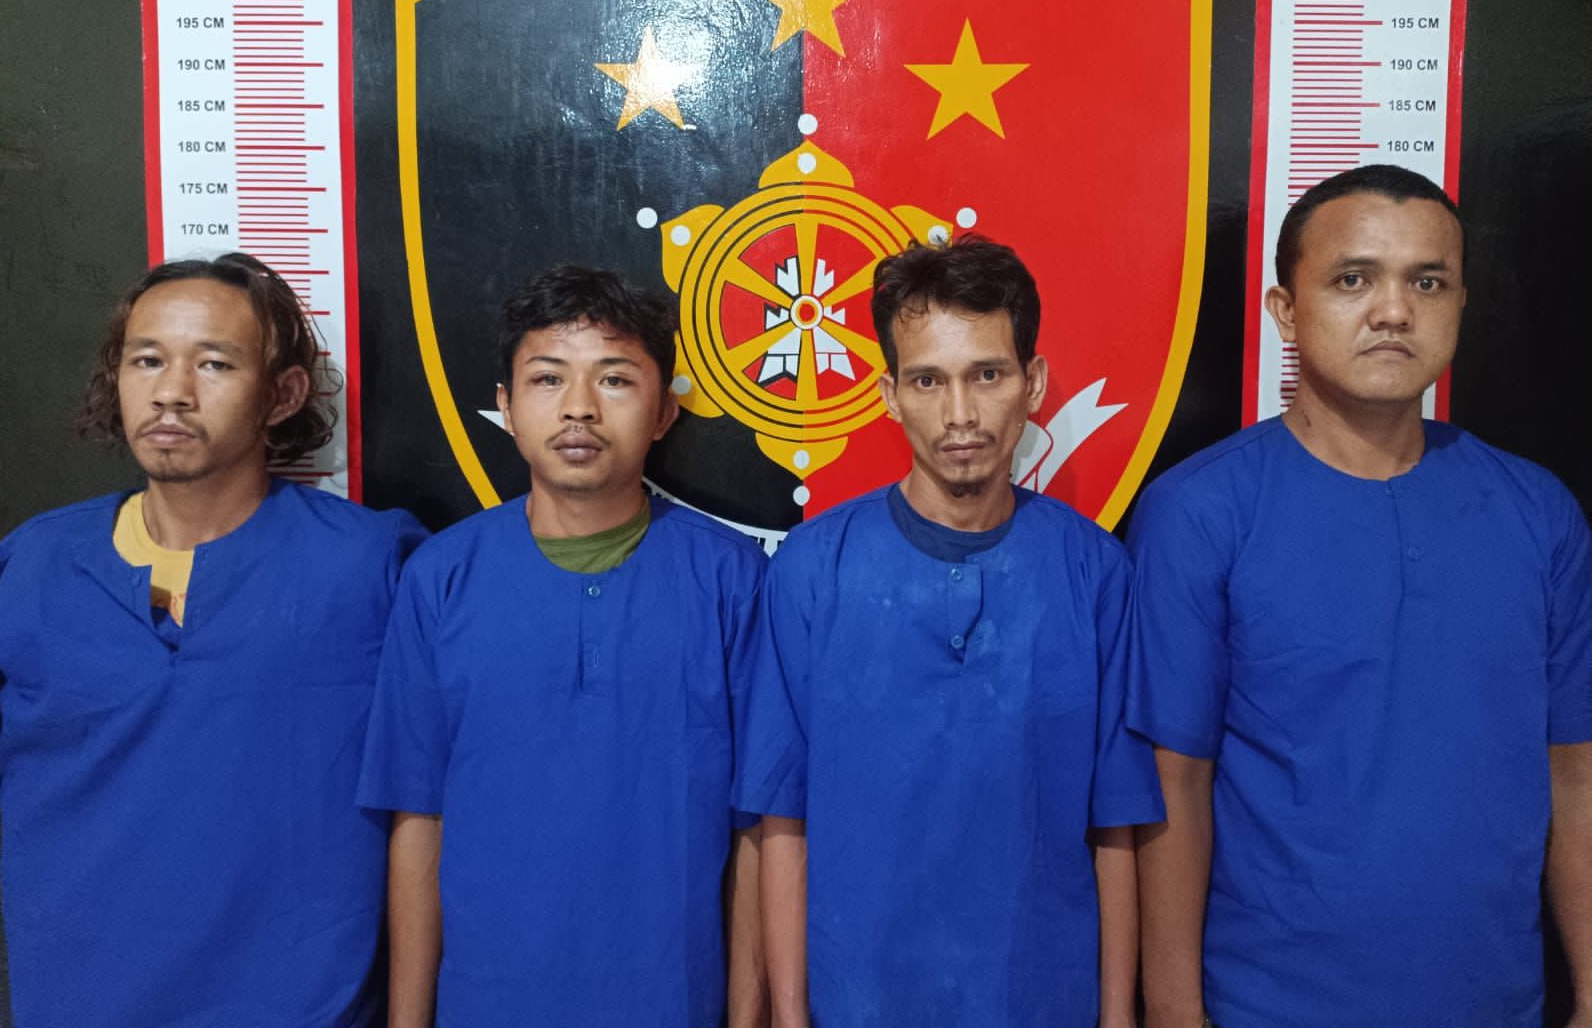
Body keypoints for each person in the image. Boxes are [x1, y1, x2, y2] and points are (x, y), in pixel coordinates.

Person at [1127, 164, 1592, 1028]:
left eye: (1427, 282)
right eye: (1353, 279)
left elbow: (1574, 769)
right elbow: (1174, 786)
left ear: (1461, 303)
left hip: (1498, 1005)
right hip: (1265, 1007)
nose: (1393, 311)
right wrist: (1173, 1010)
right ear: (1285, 309)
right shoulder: (1200, 513)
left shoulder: (1538, 513)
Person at [733, 235, 1163, 1028]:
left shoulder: (1093, 571)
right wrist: (788, 1018)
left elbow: (1115, 823)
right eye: (928, 380)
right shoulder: (813, 569)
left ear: (1032, 383)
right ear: (890, 394)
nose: (960, 414)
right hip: (859, 998)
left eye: (987, 374)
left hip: (1040, 999)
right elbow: (782, 821)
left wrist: (1116, 1015)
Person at [0, 252, 426, 1028]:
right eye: (147, 360)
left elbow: (433, 811)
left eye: (215, 363)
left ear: (283, 394)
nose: (172, 391)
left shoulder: (371, 569)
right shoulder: (28, 570)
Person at [356, 264, 767, 1028]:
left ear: (664, 411)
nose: (579, 406)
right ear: (507, 406)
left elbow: (758, 829)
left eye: (615, 379)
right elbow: (418, 817)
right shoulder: (441, 577)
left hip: (670, 1001)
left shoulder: (731, 578)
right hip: (488, 1002)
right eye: (548, 378)